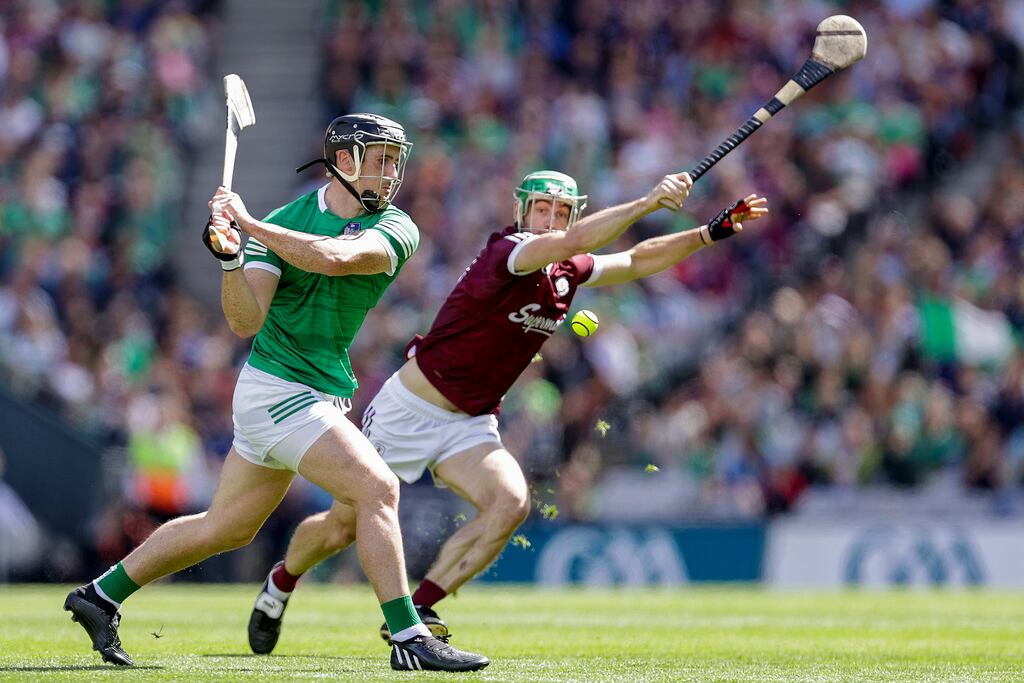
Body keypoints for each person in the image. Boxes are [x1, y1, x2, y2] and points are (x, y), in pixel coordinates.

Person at [246, 168, 769, 651]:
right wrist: (648, 200)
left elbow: (635, 259)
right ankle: (281, 582)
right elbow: (579, 240)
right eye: (542, 209)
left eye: (560, 212)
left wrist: (707, 234)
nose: (550, 219)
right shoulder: (510, 251)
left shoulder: (567, 272)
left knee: (510, 502)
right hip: (410, 406)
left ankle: (420, 610)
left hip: (471, 421)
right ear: (523, 212)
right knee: (340, 527)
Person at [63, 113, 489, 673]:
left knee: (226, 527)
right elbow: (244, 320)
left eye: (394, 161)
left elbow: (336, 258)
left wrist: (250, 225)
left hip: (315, 390)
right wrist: (231, 259)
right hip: (277, 388)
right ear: (344, 159)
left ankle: (99, 596)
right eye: (380, 159)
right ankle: (408, 635)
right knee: (377, 489)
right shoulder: (288, 219)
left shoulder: (396, 226)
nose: (391, 173)